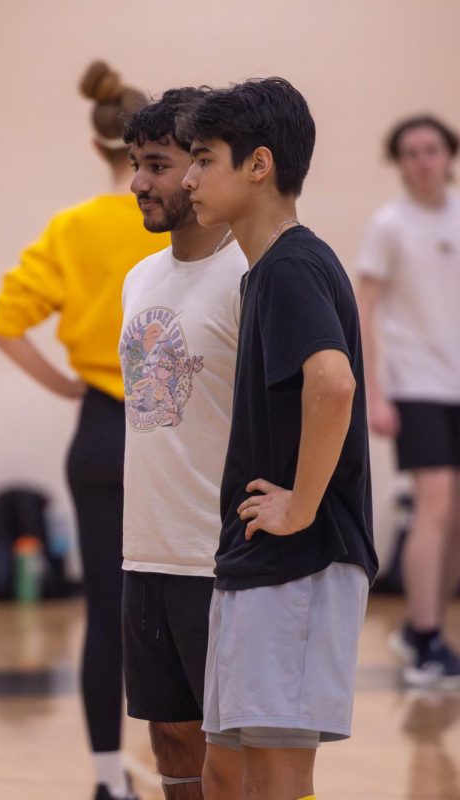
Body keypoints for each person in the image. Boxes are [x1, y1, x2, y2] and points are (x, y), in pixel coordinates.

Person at [180, 78, 379, 800]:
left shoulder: (292, 266)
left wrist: (298, 506)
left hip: (303, 558)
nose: (190, 177)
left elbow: (334, 384)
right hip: (261, 561)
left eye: (204, 158)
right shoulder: (265, 272)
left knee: (276, 776)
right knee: (230, 770)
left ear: (258, 165)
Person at [0, 59, 165, 800]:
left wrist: (68, 382)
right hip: (172, 430)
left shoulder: (73, 228)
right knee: (179, 608)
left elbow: (6, 325)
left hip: (97, 427)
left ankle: (104, 778)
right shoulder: (182, 225)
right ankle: (188, 765)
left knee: (106, 613)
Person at [118, 88, 247, 800]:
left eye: (157, 165)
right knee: (170, 736)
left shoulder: (249, 275)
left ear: (197, 169)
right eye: (135, 164)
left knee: (236, 750)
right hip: (147, 552)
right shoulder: (140, 278)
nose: (139, 183)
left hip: (221, 559)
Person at [356, 114, 460, 688]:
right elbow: (363, 309)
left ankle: (429, 632)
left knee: (455, 517)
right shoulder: (389, 225)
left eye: (432, 149)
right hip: (417, 385)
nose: (423, 160)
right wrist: (377, 392)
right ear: (399, 163)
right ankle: (423, 636)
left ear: (449, 155)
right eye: (411, 152)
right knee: (435, 505)